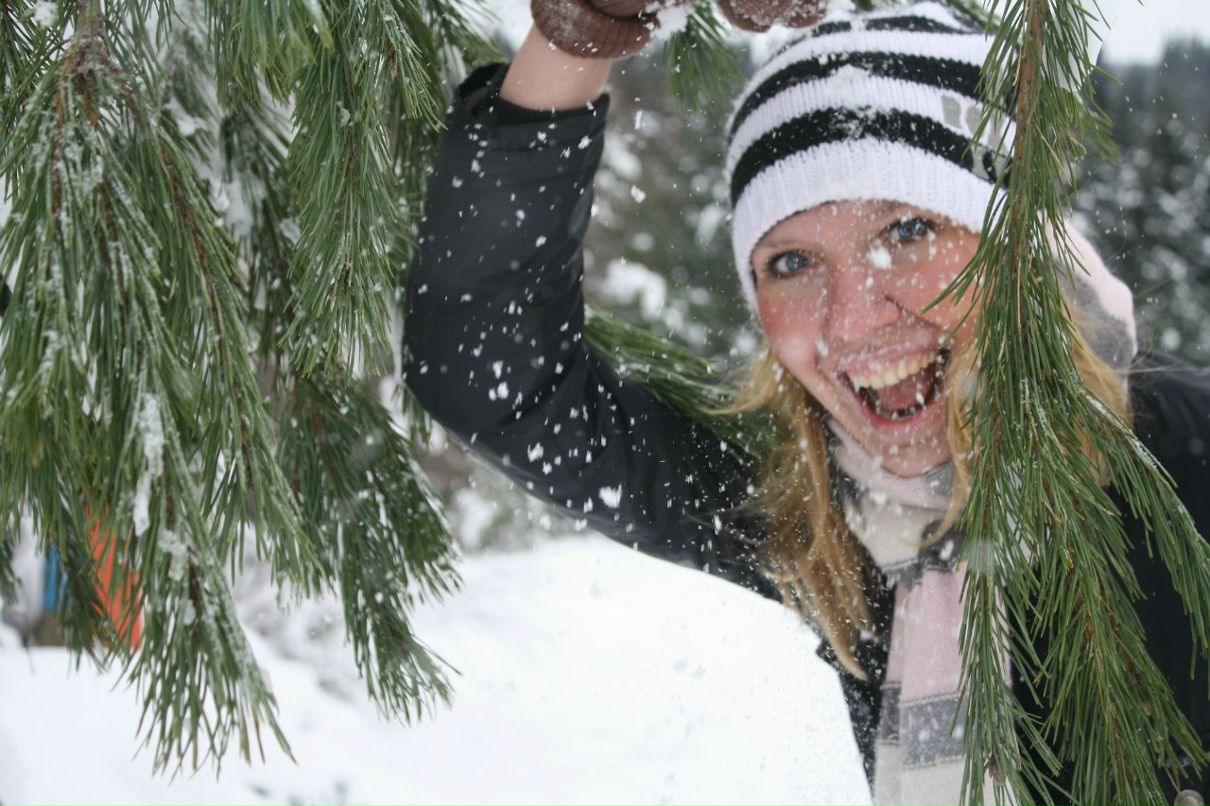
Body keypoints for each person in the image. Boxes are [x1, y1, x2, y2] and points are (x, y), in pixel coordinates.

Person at [403, 1, 1210, 803]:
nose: (853, 320)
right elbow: (490, 371)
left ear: (1015, 247)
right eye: (792, 262)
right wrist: (584, 26)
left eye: (909, 229)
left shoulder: (1188, 459)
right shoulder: (819, 501)